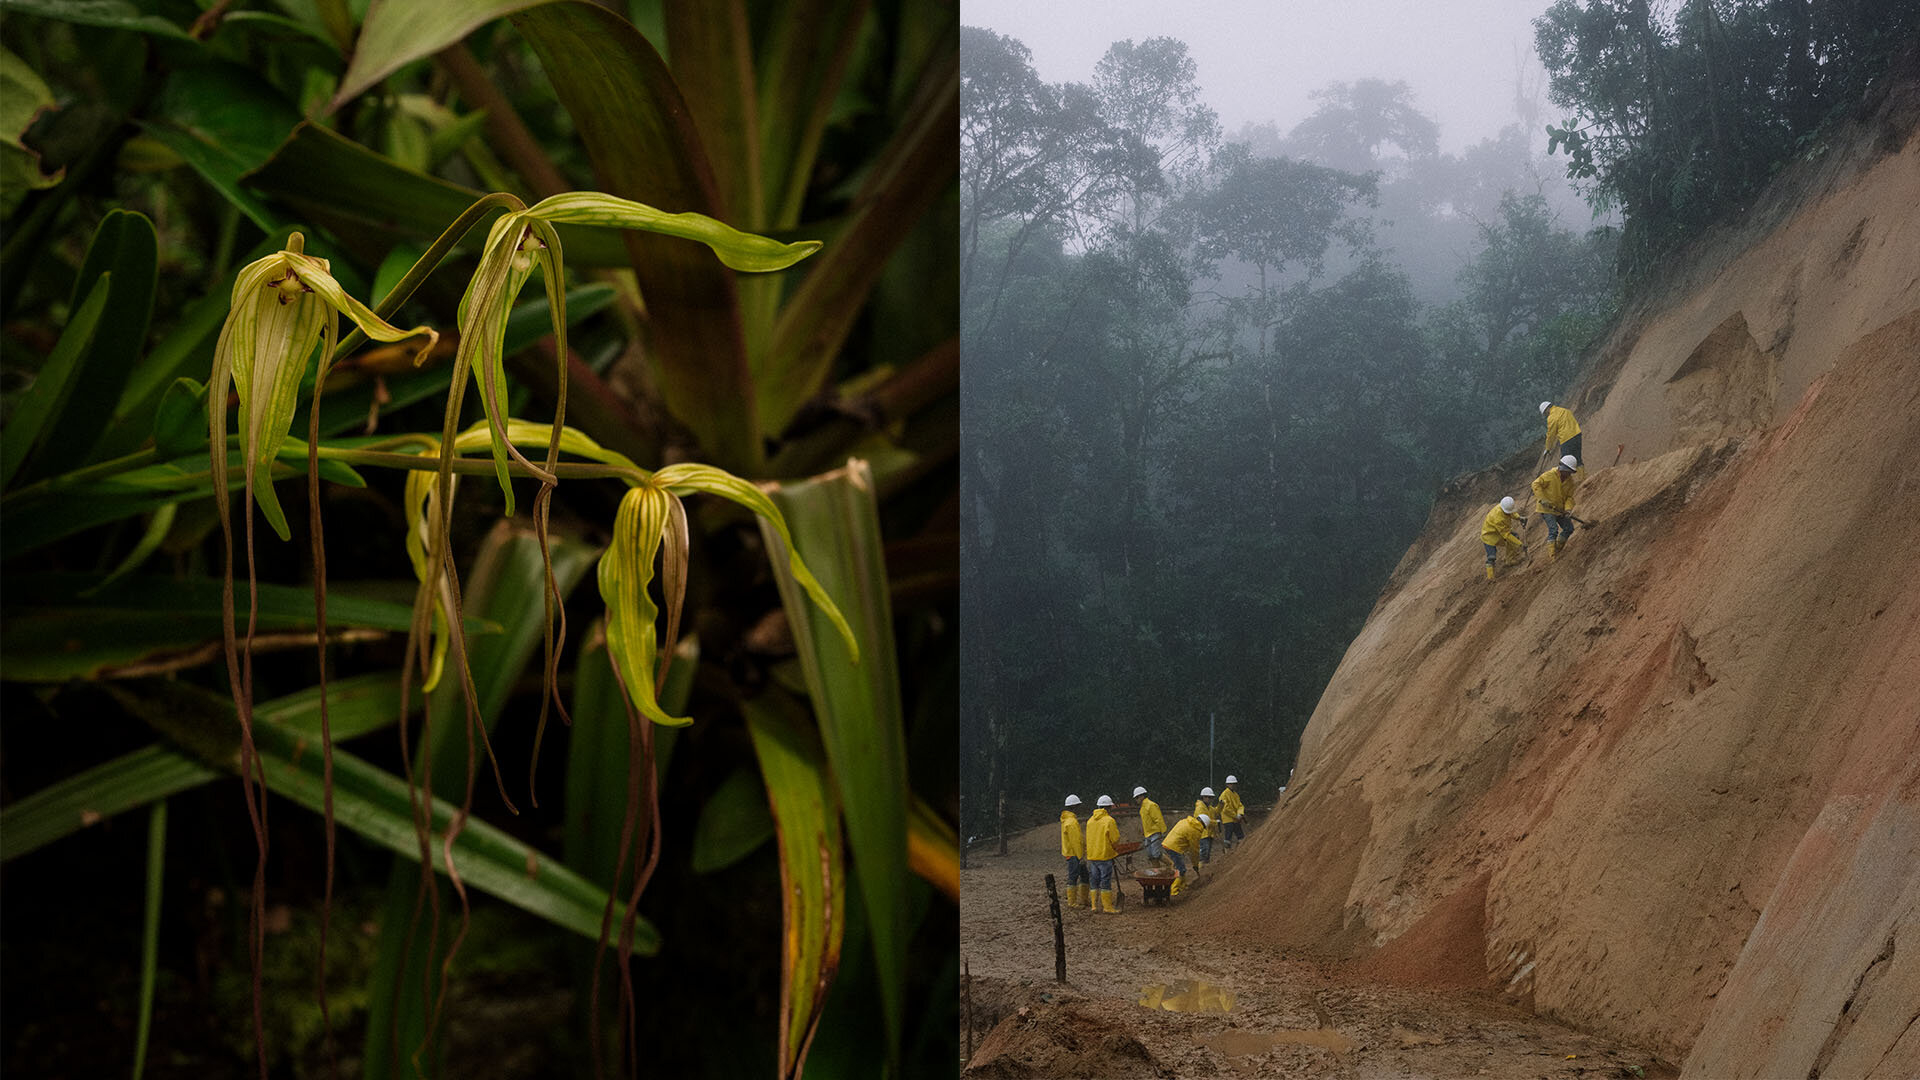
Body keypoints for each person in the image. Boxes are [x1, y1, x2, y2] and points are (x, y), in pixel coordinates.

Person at [1531, 455, 1582, 558]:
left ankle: (1558, 548)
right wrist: (1542, 499)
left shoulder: (1570, 482)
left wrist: (1568, 509)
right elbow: (1535, 484)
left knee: (1569, 528)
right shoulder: (1549, 475)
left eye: (1570, 472)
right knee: (1553, 530)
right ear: (1562, 468)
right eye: (1567, 472)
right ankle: (1552, 555)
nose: (1568, 474)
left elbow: (1569, 497)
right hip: (1546, 509)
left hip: (1560, 509)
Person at [1085, 795, 1122, 914]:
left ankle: (1094, 905)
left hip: (1092, 856)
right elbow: (1115, 839)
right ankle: (1107, 907)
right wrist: (1115, 850)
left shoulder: (1090, 820)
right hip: (1105, 855)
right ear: (1108, 808)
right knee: (1105, 880)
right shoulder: (1109, 820)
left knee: (1094, 880)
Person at [1162, 813, 1208, 897]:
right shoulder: (1195, 830)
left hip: (1168, 843)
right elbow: (1194, 851)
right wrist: (1195, 865)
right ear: (1203, 825)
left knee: (1181, 866)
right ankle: (1173, 891)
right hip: (1174, 847)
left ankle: (1182, 886)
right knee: (1181, 870)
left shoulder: (1186, 821)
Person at [1481, 496, 1525, 581]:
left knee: (1514, 537)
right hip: (1489, 536)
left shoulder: (1504, 507)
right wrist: (1520, 544)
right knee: (1491, 557)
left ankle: (1510, 560)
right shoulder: (1498, 517)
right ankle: (1490, 578)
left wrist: (1519, 518)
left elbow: (1511, 513)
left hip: (1498, 533)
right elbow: (1506, 535)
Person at [1060, 795, 1087, 909]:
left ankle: (1083, 900)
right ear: (1075, 807)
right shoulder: (1071, 822)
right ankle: (1072, 902)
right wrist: (1081, 856)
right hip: (1074, 854)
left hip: (1071, 853)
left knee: (1084, 876)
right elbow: (1076, 841)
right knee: (1074, 876)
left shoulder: (1067, 820)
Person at [1540, 401, 1582, 466]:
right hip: (1577, 435)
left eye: (1545, 413)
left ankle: (1569, 476)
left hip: (1567, 440)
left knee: (1565, 463)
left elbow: (1551, 435)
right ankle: (1581, 476)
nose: (1546, 415)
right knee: (1578, 460)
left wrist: (1548, 448)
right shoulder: (1564, 410)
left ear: (1547, 409)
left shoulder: (1551, 418)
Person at [1134, 785, 1166, 866]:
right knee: (1150, 855)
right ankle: (1157, 872)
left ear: (1142, 796)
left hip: (1155, 833)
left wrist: (1163, 831)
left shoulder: (1151, 805)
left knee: (1156, 854)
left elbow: (1158, 819)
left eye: (1137, 797)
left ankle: (1171, 865)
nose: (1136, 800)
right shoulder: (1142, 808)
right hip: (1148, 835)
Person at [1195, 788, 1220, 863]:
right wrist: (1215, 822)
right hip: (1203, 833)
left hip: (1209, 833)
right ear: (1203, 797)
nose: (1209, 799)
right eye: (1207, 797)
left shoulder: (1209, 808)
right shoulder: (1200, 808)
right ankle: (1200, 867)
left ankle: (1205, 868)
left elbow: (1216, 811)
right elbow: (1203, 820)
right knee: (1204, 852)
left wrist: (1221, 805)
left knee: (1207, 854)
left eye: (1211, 797)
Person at [1219, 776, 1245, 847]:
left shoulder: (1236, 795)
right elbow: (1225, 808)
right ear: (1227, 784)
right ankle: (1227, 852)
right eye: (1231, 784)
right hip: (1228, 819)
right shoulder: (1224, 794)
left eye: (1234, 784)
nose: (1233, 785)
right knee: (1228, 837)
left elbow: (1240, 805)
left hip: (1235, 819)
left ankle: (1240, 851)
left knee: (1241, 836)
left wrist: (1240, 814)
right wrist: (1235, 816)